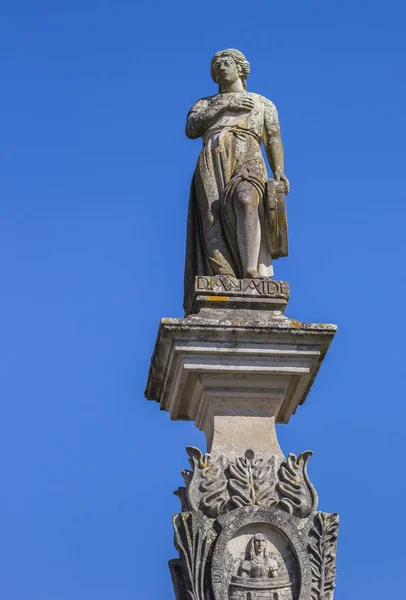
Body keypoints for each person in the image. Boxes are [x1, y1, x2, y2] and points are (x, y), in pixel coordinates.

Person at [184, 48, 289, 313]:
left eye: (226, 62)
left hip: (248, 155)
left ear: (240, 67)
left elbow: (273, 137)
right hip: (212, 158)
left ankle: (251, 270)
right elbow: (191, 129)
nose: (221, 67)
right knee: (212, 218)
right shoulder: (205, 103)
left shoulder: (261, 102)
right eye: (216, 65)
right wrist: (226, 106)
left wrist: (278, 170)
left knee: (246, 199)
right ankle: (224, 274)